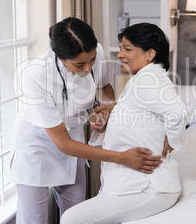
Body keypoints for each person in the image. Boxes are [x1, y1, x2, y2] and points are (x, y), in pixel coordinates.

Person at [10, 17, 163, 224]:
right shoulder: (36, 75)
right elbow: (62, 144)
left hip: (74, 142)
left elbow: (104, 84)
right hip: (37, 147)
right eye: (80, 64)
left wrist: (106, 111)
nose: (89, 67)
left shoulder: (95, 51)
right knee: (34, 220)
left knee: (78, 215)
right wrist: (121, 157)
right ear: (59, 56)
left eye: (91, 60)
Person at [61, 22, 188, 223]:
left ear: (150, 54)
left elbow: (178, 112)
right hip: (138, 183)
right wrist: (115, 111)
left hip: (150, 186)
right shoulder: (143, 79)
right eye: (120, 48)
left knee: (71, 219)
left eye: (127, 49)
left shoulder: (149, 80)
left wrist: (173, 140)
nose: (120, 54)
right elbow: (147, 113)